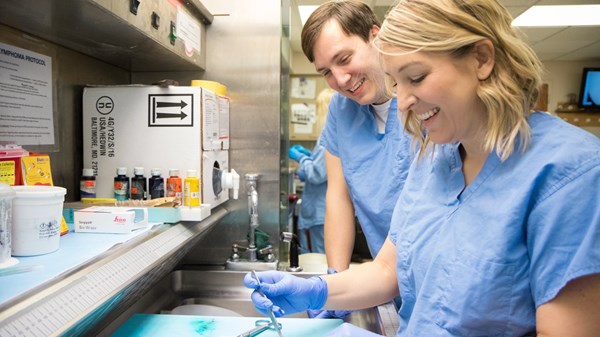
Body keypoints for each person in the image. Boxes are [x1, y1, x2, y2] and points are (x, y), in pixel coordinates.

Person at [245, 0, 600, 336]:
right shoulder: (436, 157)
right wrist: (318, 289)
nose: (404, 100)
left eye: (415, 78)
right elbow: (387, 271)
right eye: (397, 82)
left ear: (481, 58)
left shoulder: (570, 173)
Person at [301, 0, 413, 274]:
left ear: (375, 37)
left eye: (344, 59)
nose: (339, 80)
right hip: (384, 278)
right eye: (326, 71)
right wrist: (335, 280)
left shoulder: (422, 102)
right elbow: (338, 196)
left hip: (436, 274)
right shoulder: (341, 110)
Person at [288, 88, 335, 254]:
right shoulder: (333, 134)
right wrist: (310, 156)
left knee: (318, 261)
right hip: (321, 211)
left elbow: (316, 174)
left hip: (320, 212)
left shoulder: (329, 135)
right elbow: (324, 166)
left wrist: (301, 158)